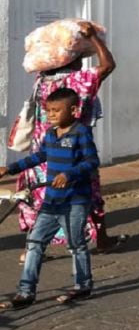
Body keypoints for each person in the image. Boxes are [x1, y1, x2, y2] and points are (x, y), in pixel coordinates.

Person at [15, 21, 123, 262]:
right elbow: (108, 66)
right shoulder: (78, 81)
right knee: (88, 194)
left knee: (40, 198)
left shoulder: (42, 82)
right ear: (70, 60)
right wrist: (94, 38)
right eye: (78, 57)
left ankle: (32, 250)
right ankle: (101, 241)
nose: (81, 60)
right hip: (73, 151)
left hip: (42, 150)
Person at [0, 88, 100, 308]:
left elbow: (92, 162)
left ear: (74, 110)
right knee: (34, 243)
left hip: (75, 200)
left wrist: (69, 174)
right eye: (48, 111)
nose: (51, 115)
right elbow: (40, 156)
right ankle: (26, 292)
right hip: (51, 200)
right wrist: (11, 168)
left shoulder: (81, 132)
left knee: (76, 244)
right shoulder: (50, 134)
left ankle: (83, 286)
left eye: (56, 110)